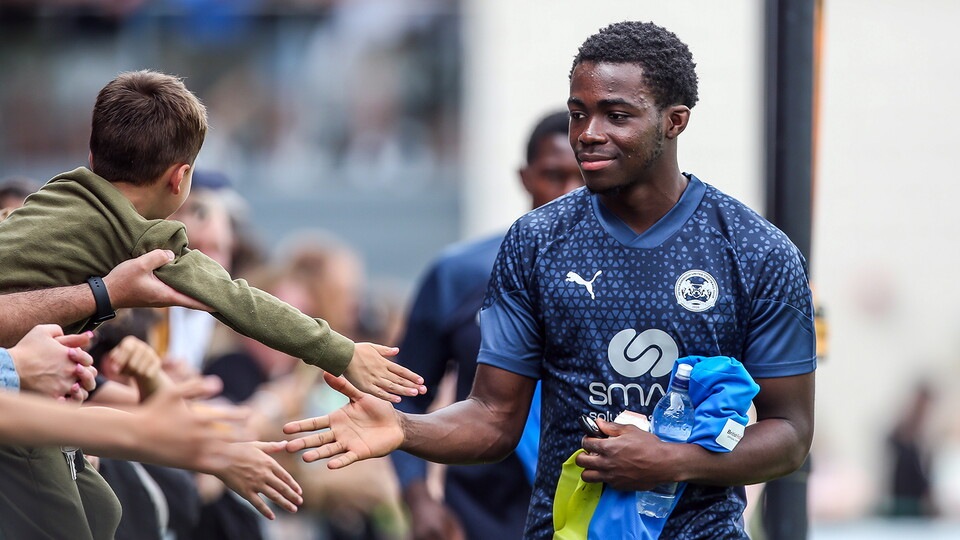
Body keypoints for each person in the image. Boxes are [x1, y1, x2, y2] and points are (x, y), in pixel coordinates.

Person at [285, 20, 816, 539]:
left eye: (616, 115)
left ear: (675, 121)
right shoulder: (536, 241)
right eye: (578, 113)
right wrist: (405, 429)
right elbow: (494, 417)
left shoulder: (754, 250)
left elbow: (789, 435)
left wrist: (673, 460)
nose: (588, 134)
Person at [0, 69, 424, 403]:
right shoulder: (143, 236)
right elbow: (237, 300)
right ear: (180, 179)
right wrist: (344, 353)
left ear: (92, 157)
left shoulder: (60, 190)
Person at [391, 110, 582, 540]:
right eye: (554, 175)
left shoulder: (632, 279)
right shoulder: (459, 274)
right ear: (525, 177)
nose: (569, 192)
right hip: (482, 518)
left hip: (597, 513)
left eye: (582, 177)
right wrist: (419, 502)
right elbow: (403, 395)